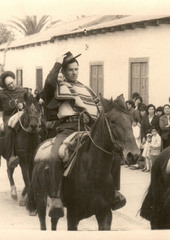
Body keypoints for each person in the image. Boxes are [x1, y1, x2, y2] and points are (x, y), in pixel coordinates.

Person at [42, 52, 125, 218]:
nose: (74, 72)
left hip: (89, 129)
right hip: (67, 129)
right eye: (70, 70)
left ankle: (115, 192)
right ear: (63, 72)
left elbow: (98, 110)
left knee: (114, 153)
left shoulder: (86, 89)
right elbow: (48, 84)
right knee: (55, 156)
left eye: (76, 69)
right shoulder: (58, 87)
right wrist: (57, 63)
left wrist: (92, 118)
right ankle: (56, 197)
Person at [0, 71, 27, 167]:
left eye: (12, 82)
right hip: (9, 116)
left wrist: (23, 104)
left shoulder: (22, 91)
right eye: (9, 85)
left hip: (22, 114)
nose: (11, 85)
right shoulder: (2, 93)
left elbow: (30, 101)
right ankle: (11, 155)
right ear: (6, 86)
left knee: (36, 125)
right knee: (10, 128)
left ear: (14, 80)